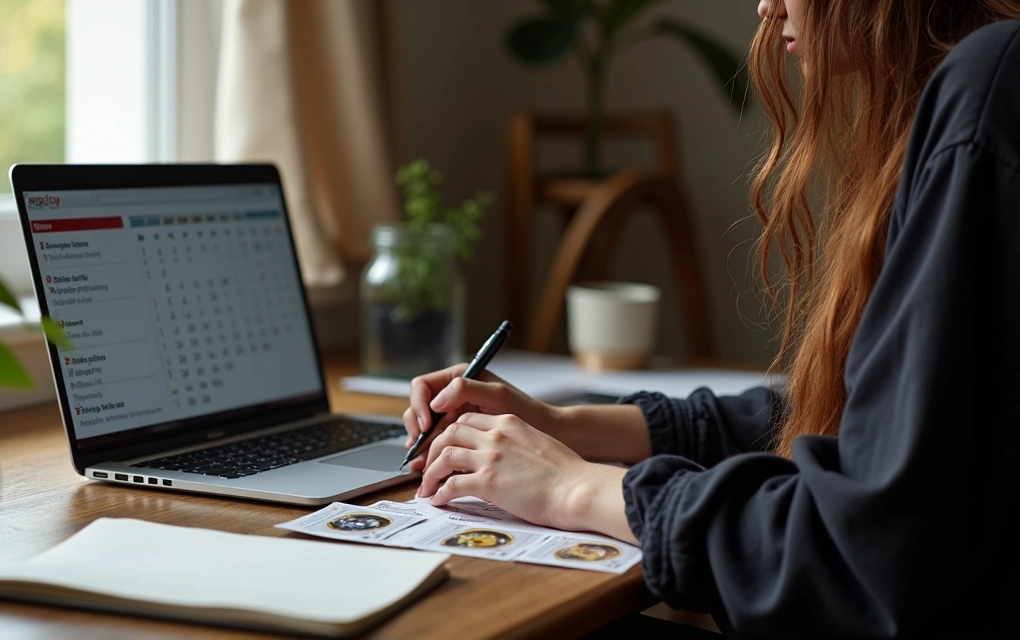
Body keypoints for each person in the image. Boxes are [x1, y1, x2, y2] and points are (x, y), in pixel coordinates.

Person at [401, 1, 1020, 637]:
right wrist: (563, 425)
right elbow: (854, 427)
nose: (765, 5)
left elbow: (859, 558)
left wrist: (574, 489)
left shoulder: (992, 84)